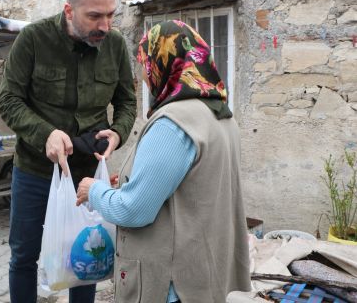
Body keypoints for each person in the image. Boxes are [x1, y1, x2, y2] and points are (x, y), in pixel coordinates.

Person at [76, 20, 251, 302]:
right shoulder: (220, 115)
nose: (144, 77)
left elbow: (134, 211)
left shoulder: (174, 123)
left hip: (173, 286)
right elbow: (189, 190)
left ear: (164, 63)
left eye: (146, 65)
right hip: (204, 272)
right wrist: (127, 185)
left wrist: (93, 191)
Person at [0, 0, 137, 303]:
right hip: (34, 171)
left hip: (87, 175)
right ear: (69, 10)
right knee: (24, 256)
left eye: (110, 15)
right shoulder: (32, 40)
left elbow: (127, 102)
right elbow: (8, 100)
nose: (104, 25)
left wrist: (118, 133)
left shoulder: (114, 45)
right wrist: (45, 134)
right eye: (94, 16)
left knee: (85, 256)